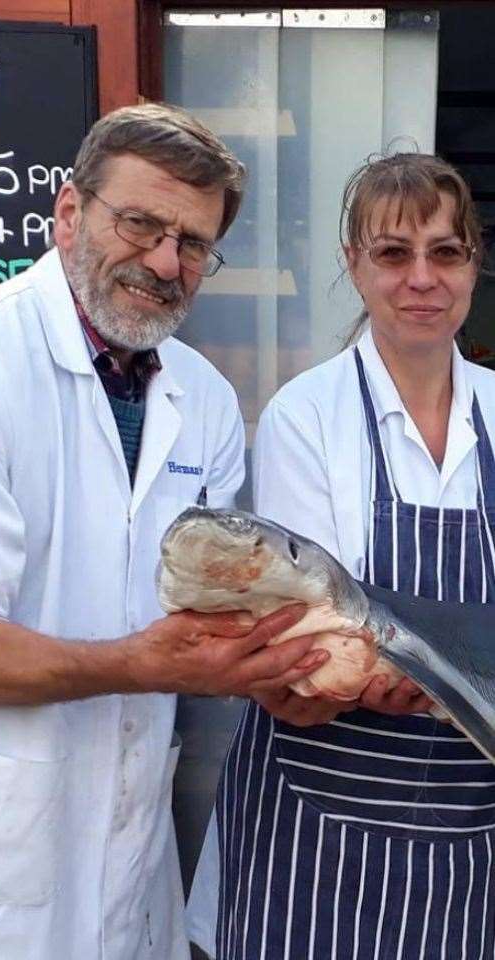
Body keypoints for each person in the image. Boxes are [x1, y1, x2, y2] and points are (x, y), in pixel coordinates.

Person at [0, 103, 328, 960]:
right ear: (70, 213)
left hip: (120, 868)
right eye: (142, 224)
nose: (164, 262)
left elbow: (211, 616)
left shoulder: (204, 402)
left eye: (192, 244)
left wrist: (287, 673)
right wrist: (146, 663)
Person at [188, 152, 495, 959]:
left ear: (473, 263)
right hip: (320, 826)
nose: (421, 278)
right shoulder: (306, 417)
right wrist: (440, 680)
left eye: (445, 252)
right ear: (354, 265)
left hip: (471, 825)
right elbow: (309, 633)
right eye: (394, 253)